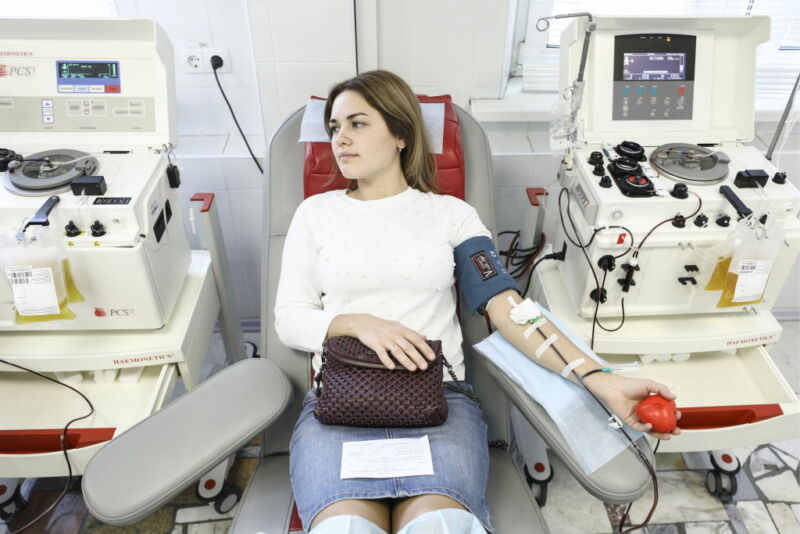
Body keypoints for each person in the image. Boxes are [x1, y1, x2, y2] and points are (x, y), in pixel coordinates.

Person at [274, 70, 681, 534]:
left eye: (358, 124)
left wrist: (599, 378)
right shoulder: (316, 215)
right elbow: (290, 318)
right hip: (340, 408)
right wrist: (358, 323)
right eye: (333, 127)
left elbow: (507, 307)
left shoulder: (451, 215)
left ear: (401, 135)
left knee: (440, 527)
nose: (340, 139)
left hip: (438, 406)